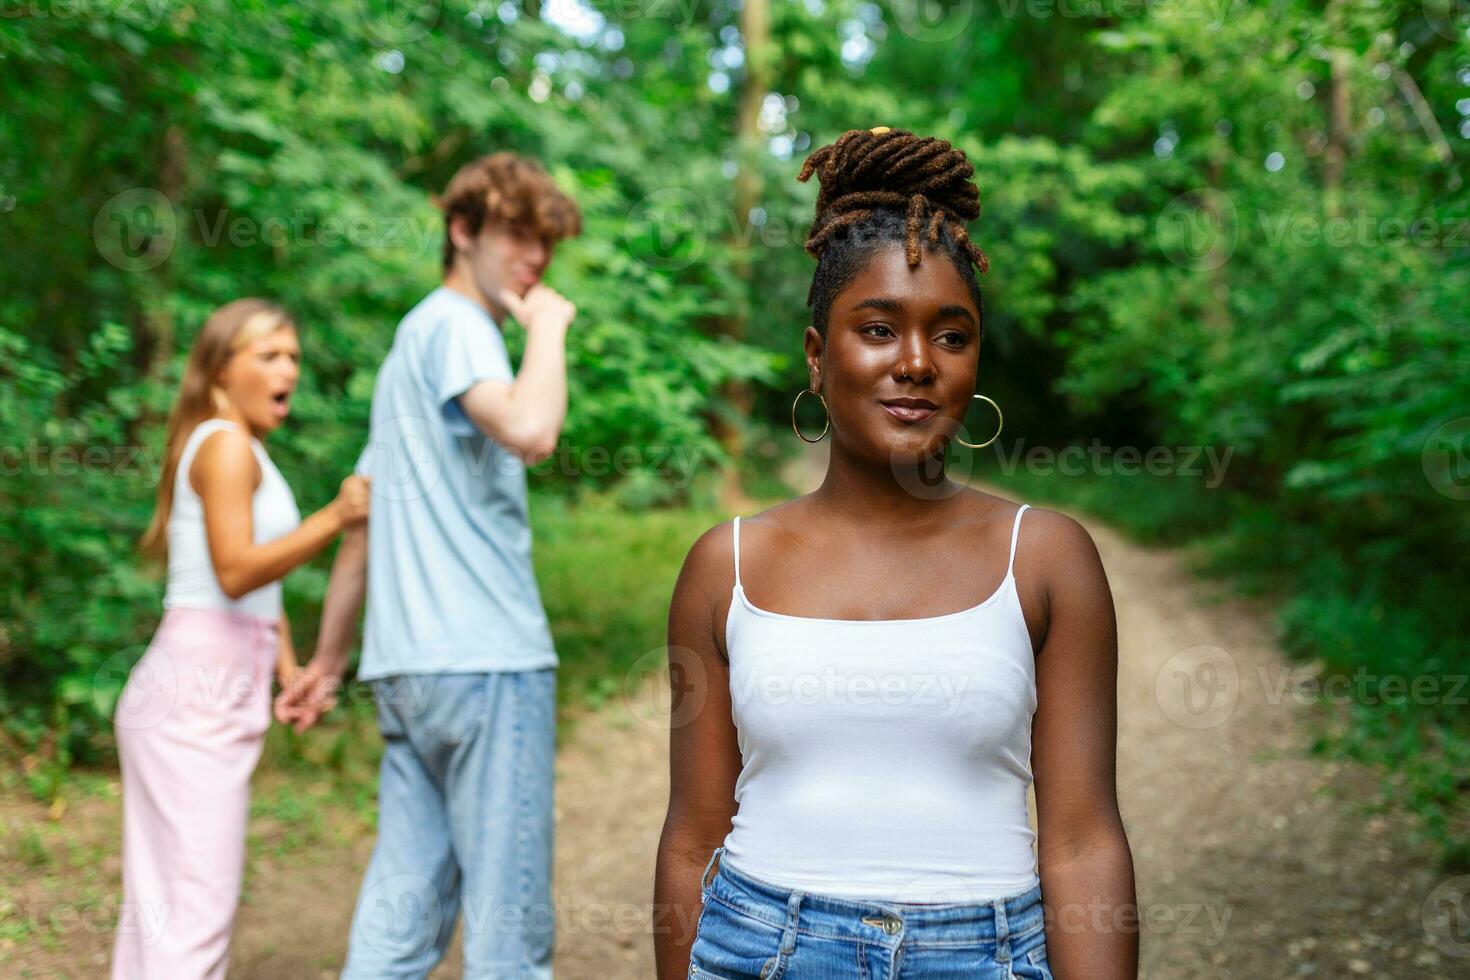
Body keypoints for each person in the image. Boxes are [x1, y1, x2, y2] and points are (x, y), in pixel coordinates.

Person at [654, 128, 1138, 980]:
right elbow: (691, 837)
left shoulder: (1047, 560)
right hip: (759, 950)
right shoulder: (723, 567)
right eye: (878, 328)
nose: (916, 362)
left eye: (951, 336)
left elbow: (1082, 839)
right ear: (817, 355)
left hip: (988, 956)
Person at [274, 152, 581, 979]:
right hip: (487, 667)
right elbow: (531, 428)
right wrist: (547, 330)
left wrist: (330, 664)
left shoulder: (409, 343)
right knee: (508, 939)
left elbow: (360, 521)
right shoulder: (458, 328)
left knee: (399, 926)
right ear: (462, 230)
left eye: (545, 242)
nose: (536, 258)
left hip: (410, 673)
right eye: (518, 235)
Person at [112, 298, 370, 980]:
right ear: (221, 368)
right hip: (190, 700)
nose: (289, 370)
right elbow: (234, 572)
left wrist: (287, 670)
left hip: (207, 691)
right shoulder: (225, 444)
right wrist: (337, 517)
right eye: (270, 356)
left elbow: (260, 587)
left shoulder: (238, 444)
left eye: (294, 357)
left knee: (170, 911)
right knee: (194, 914)